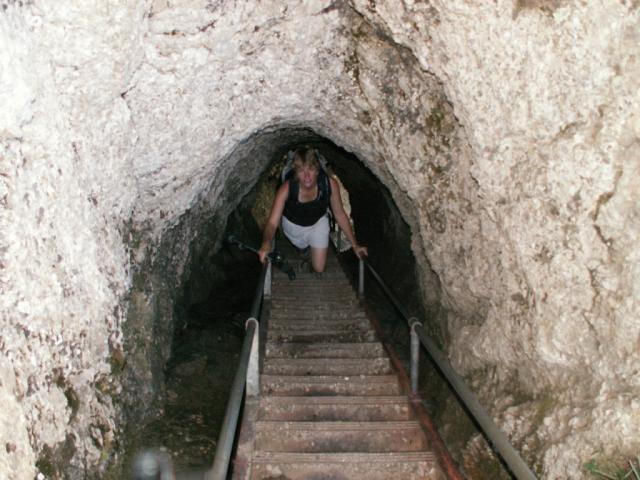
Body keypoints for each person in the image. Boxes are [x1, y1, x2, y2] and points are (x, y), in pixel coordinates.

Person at [258, 147, 367, 273]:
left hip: (317, 222)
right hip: (294, 226)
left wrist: (355, 245)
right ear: (296, 172)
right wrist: (266, 243)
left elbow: (340, 214)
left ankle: (309, 260)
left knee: (319, 268)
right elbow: (272, 222)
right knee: (302, 249)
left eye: (311, 168)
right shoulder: (286, 189)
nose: (307, 176)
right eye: (301, 170)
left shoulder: (329, 184)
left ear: (317, 170)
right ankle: (304, 252)